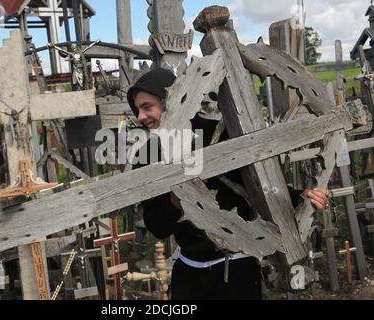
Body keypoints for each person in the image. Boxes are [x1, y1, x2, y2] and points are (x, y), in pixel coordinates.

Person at [127, 68, 330, 300]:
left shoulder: (219, 135)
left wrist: (304, 197)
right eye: (138, 110)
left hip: (237, 268)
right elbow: (158, 227)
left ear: (171, 100)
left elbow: (259, 186)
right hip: (189, 272)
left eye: (146, 107)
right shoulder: (148, 154)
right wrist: (176, 200)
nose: (140, 117)